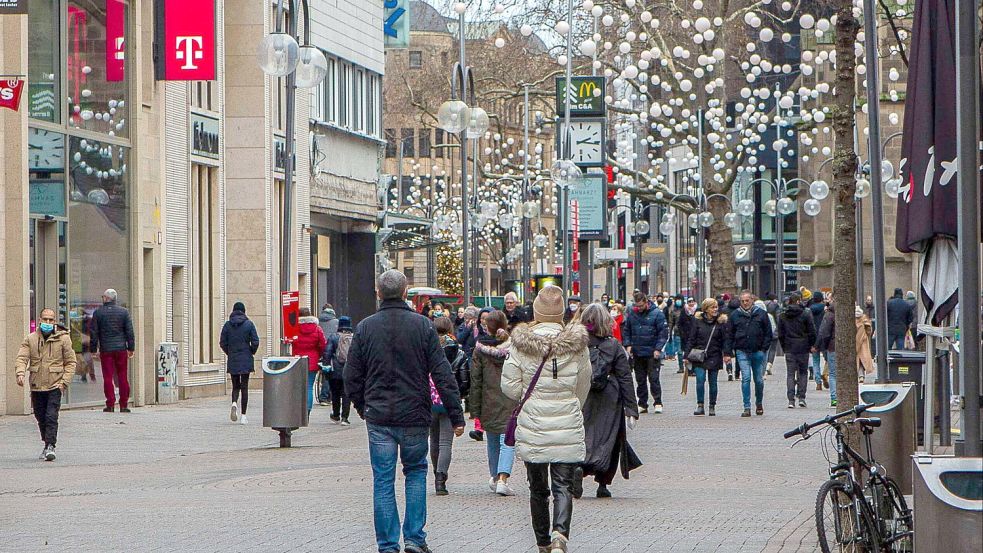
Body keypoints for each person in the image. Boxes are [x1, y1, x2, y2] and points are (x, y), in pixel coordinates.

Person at [344, 270, 464, 553]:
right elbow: (442, 373)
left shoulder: (366, 328)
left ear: (378, 293)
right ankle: (414, 538)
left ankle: (387, 545)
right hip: (414, 414)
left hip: (380, 416)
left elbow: (351, 375)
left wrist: (363, 407)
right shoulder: (423, 327)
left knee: (383, 479)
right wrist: (456, 415)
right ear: (406, 291)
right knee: (416, 472)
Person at [502, 285, 592, 553]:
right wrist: (572, 402)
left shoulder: (521, 344)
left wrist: (527, 396)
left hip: (534, 422)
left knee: (538, 487)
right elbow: (584, 382)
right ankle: (560, 536)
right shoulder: (577, 345)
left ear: (536, 311)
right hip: (566, 419)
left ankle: (542, 541)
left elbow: (510, 386)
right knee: (563, 485)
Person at [576, 304, 641, 499]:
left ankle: (579, 466)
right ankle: (603, 483)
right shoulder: (613, 345)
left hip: (583, 394)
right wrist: (631, 409)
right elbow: (625, 377)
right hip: (610, 398)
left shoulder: (578, 343)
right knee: (609, 439)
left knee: (583, 434)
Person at [15, 308, 75, 461]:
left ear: (54, 321)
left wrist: (64, 383)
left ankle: (50, 445)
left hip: (55, 385)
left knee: (51, 416)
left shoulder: (63, 339)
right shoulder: (31, 339)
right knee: (40, 416)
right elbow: (22, 358)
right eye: (45, 319)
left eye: (51, 320)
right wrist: (20, 373)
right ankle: (46, 441)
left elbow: (70, 362)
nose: (48, 322)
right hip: (37, 385)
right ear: (40, 320)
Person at [468, 310, 518, 496]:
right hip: (510, 398)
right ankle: (503, 478)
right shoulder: (515, 348)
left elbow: (476, 380)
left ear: (486, 327)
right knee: (508, 439)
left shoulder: (479, 349)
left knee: (492, 440)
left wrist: (474, 408)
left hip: (488, 399)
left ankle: (495, 477)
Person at [623, 291, 669, 414]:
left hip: (652, 352)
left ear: (646, 302)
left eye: (641, 306)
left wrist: (658, 348)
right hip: (637, 352)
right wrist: (628, 345)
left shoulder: (657, 314)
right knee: (640, 379)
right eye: (637, 306)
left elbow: (663, 333)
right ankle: (642, 403)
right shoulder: (632, 314)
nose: (639, 308)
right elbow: (626, 331)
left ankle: (658, 402)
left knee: (654, 379)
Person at [685, 299, 732, 417]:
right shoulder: (697, 322)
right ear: (706, 309)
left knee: (713, 382)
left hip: (714, 354)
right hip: (700, 356)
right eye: (712, 307)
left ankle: (712, 405)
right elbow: (691, 338)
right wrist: (686, 355)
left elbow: (726, 340)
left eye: (716, 307)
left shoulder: (721, 323)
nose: (715, 309)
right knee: (700, 380)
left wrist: (726, 354)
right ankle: (700, 405)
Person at [91, 288, 135, 413]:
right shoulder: (124, 312)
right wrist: (131, 348)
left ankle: (110, 403)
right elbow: (129, 332)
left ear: (106, 298)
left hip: (106, 349)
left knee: (108, 377)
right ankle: (124, 405)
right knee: (122, 376)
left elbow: (94, 333)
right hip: (121, 349)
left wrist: (94, 349)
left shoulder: (98, 313)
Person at [729, 292, 772, 417]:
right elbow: (730, 334)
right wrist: (729, 350)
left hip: (757, 351)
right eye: (742, 301)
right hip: (742, 350)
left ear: (752, 300)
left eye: (747, 300)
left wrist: (763, 348)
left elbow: (768, 333)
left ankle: (759, 403)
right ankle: (746, 407)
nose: (745, 303)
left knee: (758, 380)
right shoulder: (735, 315)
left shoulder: (761, 314)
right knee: (746, 378)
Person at [220, 301, 260, 425]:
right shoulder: (249, 324)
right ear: (244, 311)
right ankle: (243, 416)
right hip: (246, 358)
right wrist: (251, 351)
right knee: (245, 387)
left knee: (235, 385)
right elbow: (255, 341)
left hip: (233, 358)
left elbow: (222, 342)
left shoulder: (227, 325)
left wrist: (229, 352)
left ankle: (233, 403)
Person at [777, 293, 817, 409]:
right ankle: (802, 397)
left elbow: (781, 333)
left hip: (789, 346)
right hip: (803, 346)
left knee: (790, 373)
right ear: (799, 301)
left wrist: (784, 347)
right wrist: (812, 344)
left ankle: (790, 399)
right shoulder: (805, 313)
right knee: (803, 373)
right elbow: (812, 330)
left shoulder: (783, 315)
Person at [292, 307, 327, 415]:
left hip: (297, 360)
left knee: (298, 386)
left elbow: (292, 341)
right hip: (312, 360)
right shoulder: (317, 328)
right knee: (309, 387)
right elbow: (323, 345)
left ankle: (298, 410)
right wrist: (319, 355)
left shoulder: (294, 328)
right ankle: (307, 412)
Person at [323, 316, 355, 425]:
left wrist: (325, 365)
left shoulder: (333, 337)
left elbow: (327, 352)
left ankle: (336, 415)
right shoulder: (354, 337)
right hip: (349, 370)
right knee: (346, 394)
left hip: (335, 370)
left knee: (335, 393)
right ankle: (345, 418)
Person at [816, 299, 838, 408]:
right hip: (847, 347)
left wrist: (824, 346)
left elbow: (824, 332)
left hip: (832, 347)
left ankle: (834, 398)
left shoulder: (829, 314)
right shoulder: (848, 312)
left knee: (833, 373)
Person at [808, 293, 828, 389]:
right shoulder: (825, 309)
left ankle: (818, 383)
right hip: (824, 336)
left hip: (813, 337)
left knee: (815, 360)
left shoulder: (809, 310)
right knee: (828, 359)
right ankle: (825, 374)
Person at [856, 306, 875, 382]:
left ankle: (859, 375)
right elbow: (869, 330)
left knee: (857, 359)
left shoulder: (851, 319)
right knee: (862, 359)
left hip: (854, 342)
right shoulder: (864, 318)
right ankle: (861, 375)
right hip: (863, 341)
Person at [666, 296, 683, 362]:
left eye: (680, 299)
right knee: (679, 351)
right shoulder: (673, 311)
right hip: (678, 332)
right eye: (677, 300)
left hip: (687, 333)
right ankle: (681, 367)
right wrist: (670, 333)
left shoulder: (686, 309)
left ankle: (689, 369)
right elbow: (671, 323)